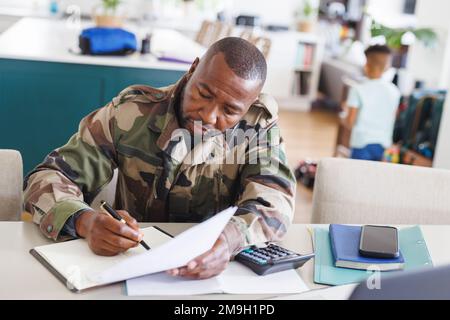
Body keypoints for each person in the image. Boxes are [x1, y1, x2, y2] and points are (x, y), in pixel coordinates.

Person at [23, 37, 296, 280]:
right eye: (204, 94)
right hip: (128, 267)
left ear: (249, 105)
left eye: (230, 110)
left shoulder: (258, 127)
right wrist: (85, 221)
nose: (209, 115)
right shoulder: (131, 112)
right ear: (192, 69)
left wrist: (228, 241)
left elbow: (275, 202)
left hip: (212, 280)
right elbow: (48, 176)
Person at [344, 45, 401, 161]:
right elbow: (394, 116)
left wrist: (345, 112)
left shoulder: (357, 89)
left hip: (361, 144)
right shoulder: (395, 91)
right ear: (387, 67)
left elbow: (350, 122)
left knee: (358, 176)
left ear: (366, 66)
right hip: (384, 146)